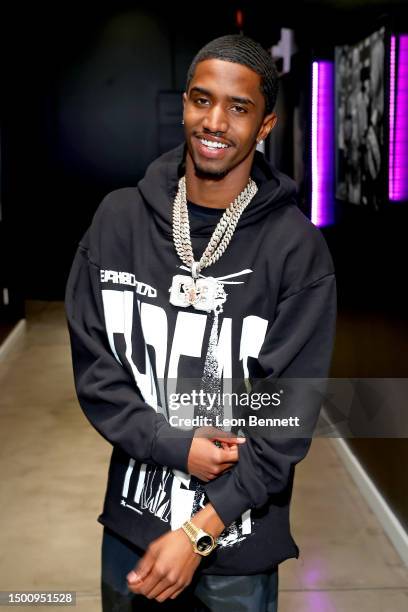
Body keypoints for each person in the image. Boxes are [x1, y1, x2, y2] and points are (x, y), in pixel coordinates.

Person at [65, 34, 337, 611]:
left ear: (265, 125)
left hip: (239, 546)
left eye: (239, 108)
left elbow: (285, 423)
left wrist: (198, 532)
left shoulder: (296, 251)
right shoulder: (118, 221)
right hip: (132, 528)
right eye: (201, 99)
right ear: (184, 103)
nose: (215, 120)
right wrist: (171, 443)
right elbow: (96, 372)